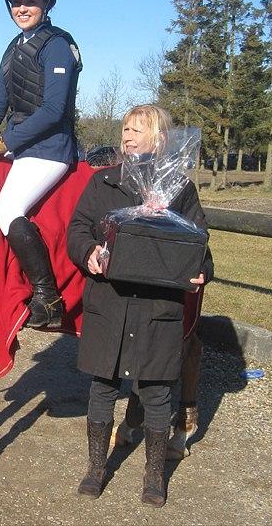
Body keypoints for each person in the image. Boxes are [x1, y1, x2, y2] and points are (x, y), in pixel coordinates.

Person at [66, 104, 214, 506]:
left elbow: (200, 244)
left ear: (160, 139)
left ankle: (154, 476)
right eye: (125, 129)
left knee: (155, 394)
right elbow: (76, 230)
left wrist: (203, 269)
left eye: (137, 129)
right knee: (102, 387)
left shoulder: (178, 189)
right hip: (109, 304)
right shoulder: (104, 184)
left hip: (156, 310)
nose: (127, 136)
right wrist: (89, 253)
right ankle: (96, 468)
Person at [0, 0, 82, 330]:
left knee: (7, 207)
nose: (22, 7)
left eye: (30, 0)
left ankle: (48, 298)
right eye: (15, 1)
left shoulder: (58, 46)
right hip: (21, 148)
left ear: (46, 2)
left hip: (50, 149)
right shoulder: (13, 47)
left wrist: (2, 142)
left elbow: (53, 110)